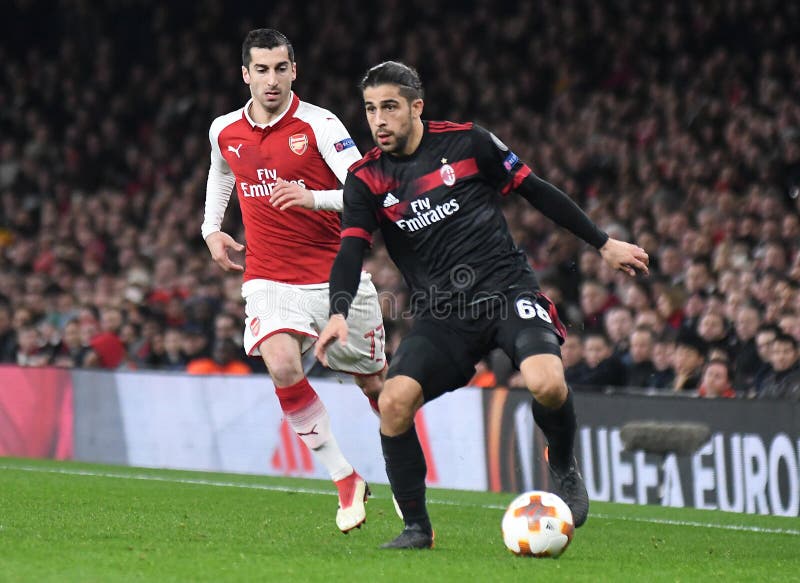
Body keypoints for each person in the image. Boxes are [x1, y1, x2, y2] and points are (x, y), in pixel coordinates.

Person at [315, 61, 649, 548]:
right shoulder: (366, 180)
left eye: (389, 107)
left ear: (416, 107)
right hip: (442, 315)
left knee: (547, 384)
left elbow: (535, 190)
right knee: (392, 402)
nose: (378, 119)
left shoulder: (469, 143)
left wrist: (602, 243)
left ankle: (562, 463)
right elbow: (349, 251)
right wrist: (338, 312)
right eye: (370, 109)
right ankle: (416, 529)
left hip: (508, 292)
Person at [201, 29, 386, 533]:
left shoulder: (320, 124)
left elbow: (363, 187)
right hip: (269, 277)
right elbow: (222, 173)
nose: (272, 80)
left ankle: (409, 487)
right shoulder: (225, 130)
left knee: (377, 386)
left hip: (337, 278)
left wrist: (312, 199)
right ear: (245, 74)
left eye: (281, 68)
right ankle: (344, 478)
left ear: (294, 71)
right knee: (280, 362)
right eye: (261, 70)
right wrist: (212, 229)